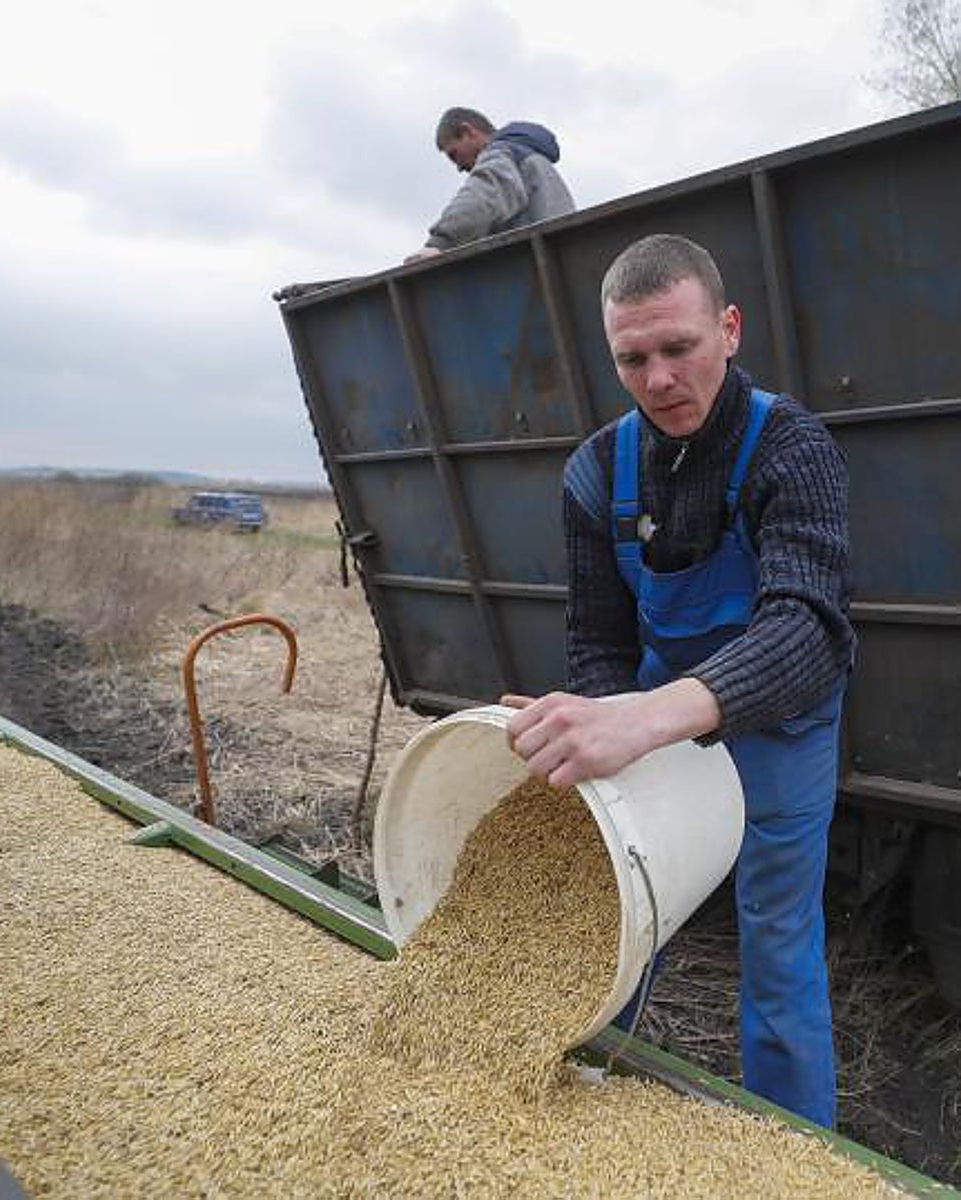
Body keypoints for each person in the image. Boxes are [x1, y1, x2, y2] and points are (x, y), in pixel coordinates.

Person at [502, 233, 854, 1129]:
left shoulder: (792, 447)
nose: (658, 378)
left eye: (679, 348)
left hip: (780, 730)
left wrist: (649, 718)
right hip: (650, 722)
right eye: (634, 358)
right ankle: (567, 1101)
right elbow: (598, 643)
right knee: (615, 910)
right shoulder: (595, 471)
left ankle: (791, 1155)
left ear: (728, 329)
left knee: (777, 939)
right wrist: (600, 720)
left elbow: (807, 628)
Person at [404, 107, 575, 264]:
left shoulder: (502, 154)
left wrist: (438, 244)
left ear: (467, 131)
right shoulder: (532, 159)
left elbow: (482, 196)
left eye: (454, 155)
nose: (459, 167)